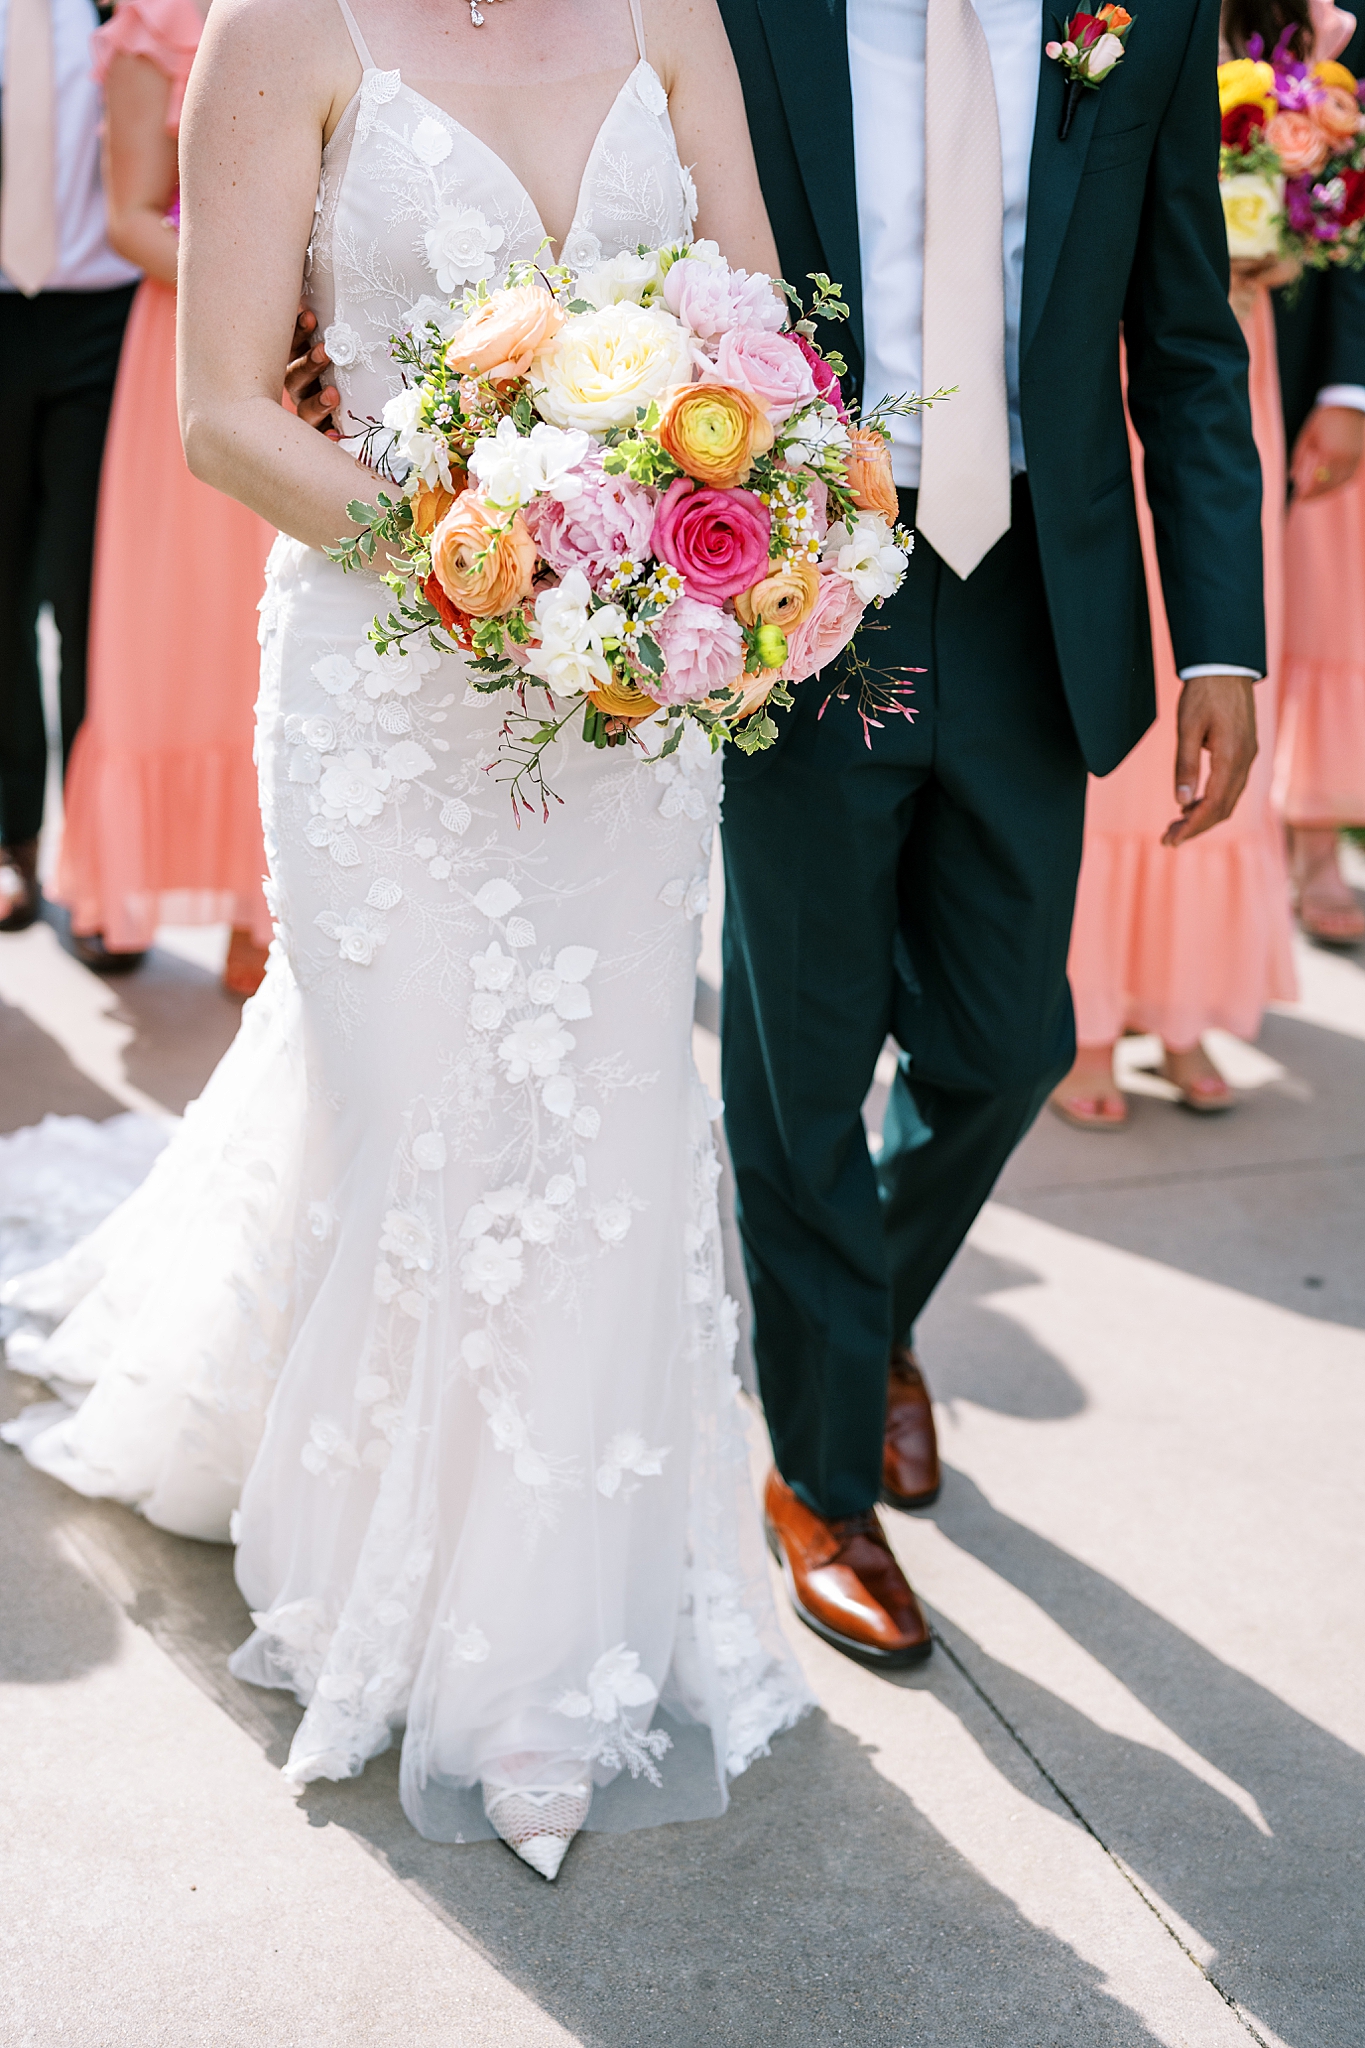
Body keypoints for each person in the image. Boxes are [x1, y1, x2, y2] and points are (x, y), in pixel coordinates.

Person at [2, 0, 809, 1880]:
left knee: (597, 1131)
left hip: (615, 715)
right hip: (390, 689)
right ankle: (441, 1625)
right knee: (415, 1119)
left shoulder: (671, 12)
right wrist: (490, 553)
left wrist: (734, 538)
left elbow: (761, 340)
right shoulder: (282, 28)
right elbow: (218, 411)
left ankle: (551, 1639)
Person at [717, 0, 1264, 1662]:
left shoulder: (1141, 15)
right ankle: (819, 1479)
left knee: (1011, 1035)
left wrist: (1220, 635)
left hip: (1038, 585)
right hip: (810, 579)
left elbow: (1180, 335)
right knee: (804, 1049)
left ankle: (855, 1306)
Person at [1049, 0, 1334, 1129]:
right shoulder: (1091, 13)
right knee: (1105, 664)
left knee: (1209, 667)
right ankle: (1085, 1012)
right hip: (1095, 368)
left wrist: (1292, 230)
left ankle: (1182, 1001)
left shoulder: (1298, 28)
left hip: (1226, 368)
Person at [50, 0, 277, 992]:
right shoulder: (154, 22)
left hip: (328, 369)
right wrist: (269, 285)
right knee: (195, 641)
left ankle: (272, 900)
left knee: (292, 631)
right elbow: (132, 218)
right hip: (197, 357)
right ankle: (220, 895)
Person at [0, 0, 140, 933]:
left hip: (107, 326)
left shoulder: (122, 8)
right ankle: (15, 841)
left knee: (96, 598)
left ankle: (100, 865)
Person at [1274, 24, 1365, 948]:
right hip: (1225, 342)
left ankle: (1312, 841)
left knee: (1328, 611)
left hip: (1315, 354)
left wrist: (1349, 386)